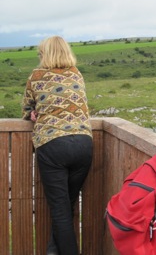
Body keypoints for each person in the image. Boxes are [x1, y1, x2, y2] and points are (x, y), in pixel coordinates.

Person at [22, 36, 93, 255]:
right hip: (83, 144)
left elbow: (27, 109)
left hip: (53, 146)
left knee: (60, 211)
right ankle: (53, 252)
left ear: (44, 54)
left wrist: (32, 114)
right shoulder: (76, 73)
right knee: (67, 206)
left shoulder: (36, 76)